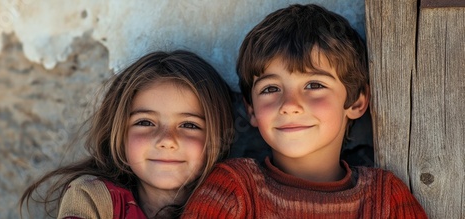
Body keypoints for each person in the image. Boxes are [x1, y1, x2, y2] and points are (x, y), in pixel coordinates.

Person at [181, 4, 427, 218]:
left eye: (314, 85)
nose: (289, 105)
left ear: (356, 102)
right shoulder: (233, 191)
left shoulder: (386, 200)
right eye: (271, 88)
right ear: (251, 110)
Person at [19, 50, 234, 218]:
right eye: (145, 122)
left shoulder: (235, 203)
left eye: (189, 125)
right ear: (120, 134)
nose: (167, 140)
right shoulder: (94, 198)